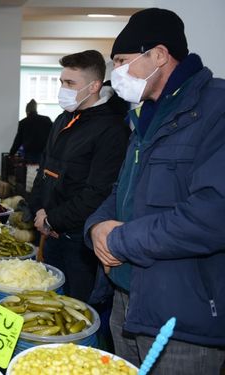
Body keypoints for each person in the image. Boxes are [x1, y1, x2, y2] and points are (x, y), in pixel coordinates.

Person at [85, 8, 225, 374]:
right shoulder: (145, 116)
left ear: (159, 55)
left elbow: (212, 215)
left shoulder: (215, 110)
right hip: (126, 301)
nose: (116, 74)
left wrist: (119, 241)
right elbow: (122, 190)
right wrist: (97, 227)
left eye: (122, 61)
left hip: (182, 317)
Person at [28, 50, 130, 303]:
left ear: (94, 86)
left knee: (76, 307)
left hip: (80, 242)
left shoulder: (112, 129)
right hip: (50, 233)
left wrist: (54, 219)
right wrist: (39, 211)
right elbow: (45, 170)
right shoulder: (63, 119)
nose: (63, 88)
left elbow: (98, 192)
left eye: (70, 83)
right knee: (49, 302)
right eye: (62, 82)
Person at [9, 99, 52, 164]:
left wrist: (11, 153)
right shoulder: (46, 119)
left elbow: (18, 140)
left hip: (30, 153)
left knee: (31, 172)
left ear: (27, 111)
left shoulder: (23, 122)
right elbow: (53, 135)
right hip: (45, 152)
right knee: (43, 172)